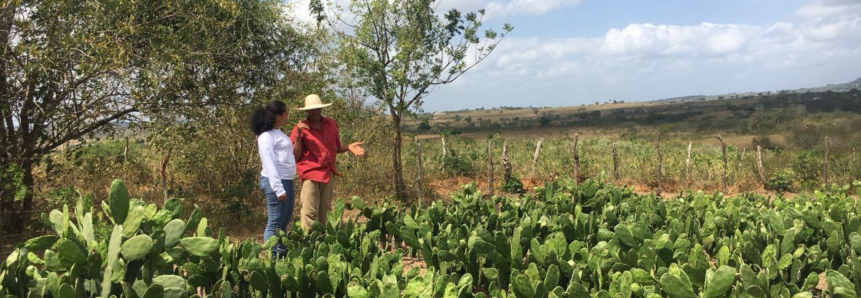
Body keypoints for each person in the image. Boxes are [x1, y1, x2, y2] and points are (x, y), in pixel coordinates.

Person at [290, 94, 365, 231]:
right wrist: (298, 136)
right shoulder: (300, 128)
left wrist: (348, 147)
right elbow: (295, 155)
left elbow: (336, 148)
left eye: (318, 109)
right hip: (311, 174)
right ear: (306, 111)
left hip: (328, 173)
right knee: (309, 212)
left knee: (325, 211)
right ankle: (309, 243)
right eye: (312, 110)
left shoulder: (331, 124)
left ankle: (324, 241)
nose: (315, 112)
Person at [250, 101, 295, 257]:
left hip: (287, 180)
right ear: (278, 116)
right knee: (275, 222)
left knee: (284, 221)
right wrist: (278, 188)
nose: (287, 116)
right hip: (276, 182)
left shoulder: (279, 133)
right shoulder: (266, 137)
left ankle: (281, 253)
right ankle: (273, 256)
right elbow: (269, 162)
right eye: (286, 113)